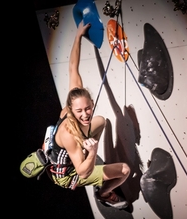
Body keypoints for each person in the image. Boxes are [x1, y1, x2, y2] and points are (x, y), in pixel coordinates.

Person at [48, 21, 130, 209]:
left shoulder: (76, 97)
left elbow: (72, 67)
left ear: (90, 103)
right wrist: (92, 152)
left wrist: (78, 37)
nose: (85, 115)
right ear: (70, 108)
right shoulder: (69, 133)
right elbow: (83, 173)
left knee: (100, 121)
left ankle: (87, 153)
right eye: (79, 111)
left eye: (88, 108)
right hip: (68, 174)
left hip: (78, 152)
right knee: (125, 170)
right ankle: (103, 194)